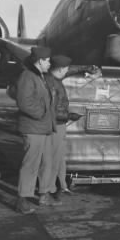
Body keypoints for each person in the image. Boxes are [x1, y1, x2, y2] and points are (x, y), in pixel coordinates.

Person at [15, 46, 59, 214]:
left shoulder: (40, 76)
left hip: (44, 128)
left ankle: (43, 194)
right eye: (47, 60)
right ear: (40, 61)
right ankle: (22, 199)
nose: (49, 63)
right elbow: (24, 102)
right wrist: (41, 113)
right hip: (33, 128)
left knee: (46, 162)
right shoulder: (27, 76)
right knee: (31, 164)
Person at [43, 55, 82, 195]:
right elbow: (51, 111)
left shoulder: (54, 79)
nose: (68, 71)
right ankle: (49, 189)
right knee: (53, 158)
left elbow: (71, 70)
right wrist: (69, 116)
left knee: (60, 158)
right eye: (66, 69)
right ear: (60, 69)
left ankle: (62, 185)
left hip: (60, 124)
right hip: (56, 125)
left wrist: (86, 68)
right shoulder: (52, 84)